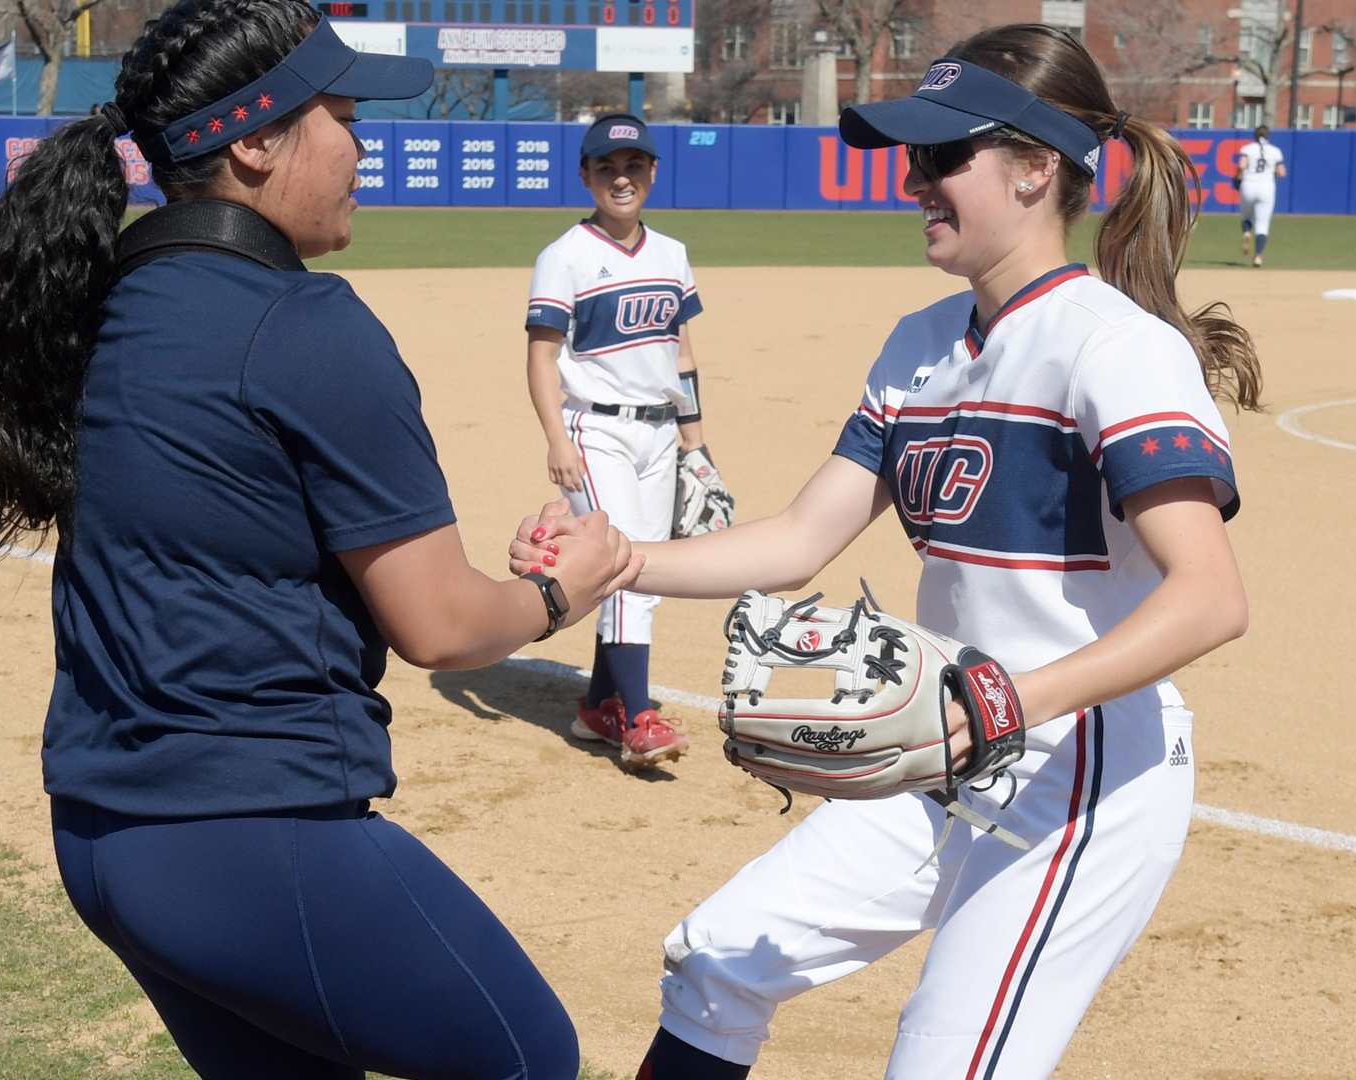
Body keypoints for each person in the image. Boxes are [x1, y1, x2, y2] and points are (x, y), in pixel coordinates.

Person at [514, 24, 1262, 1080]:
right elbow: (798, 539)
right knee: (718, 957)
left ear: (1035, 167)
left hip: (1081, 769)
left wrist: (1011, 702)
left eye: (942, 155)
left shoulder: (1116, 347)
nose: (914, 179)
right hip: (948, 748)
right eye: (914, 156)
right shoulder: (921, 345)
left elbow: (1211, 598)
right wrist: (618, 555)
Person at [0, 3, 640, 1077]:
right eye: (342, 116)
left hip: (105, 834)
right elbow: (441, 628)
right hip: (246, 835)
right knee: (527, 1055)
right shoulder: (308, 325)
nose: (363, 146)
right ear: (255, 141)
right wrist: (560, 591)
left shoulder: (104, 301)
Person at [525, 112, 706, 769]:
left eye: (633, 166)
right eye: (607, 168)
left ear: (652, 172)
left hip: (659, 434)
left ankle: (600, 706)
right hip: (595, 429)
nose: (621, 178)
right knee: (626, 567)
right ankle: (638, 717)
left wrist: (696, 444)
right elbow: (542, 356)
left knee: (641, 569)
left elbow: (681, 354)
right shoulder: (565, 255)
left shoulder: (671, 254)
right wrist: (557, 438)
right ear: (586, 176)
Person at [1235, 124, 1285, 267]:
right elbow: (1282, 173)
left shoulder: (1247, 149)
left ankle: (1246, 232)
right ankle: (1258, 256)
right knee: (1262, 224)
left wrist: (1238, 178)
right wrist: (1271, 170)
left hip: (1249, 185)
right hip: (1266, 187)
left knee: (1246, 216)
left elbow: (1241, 165)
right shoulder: (1275, 151)